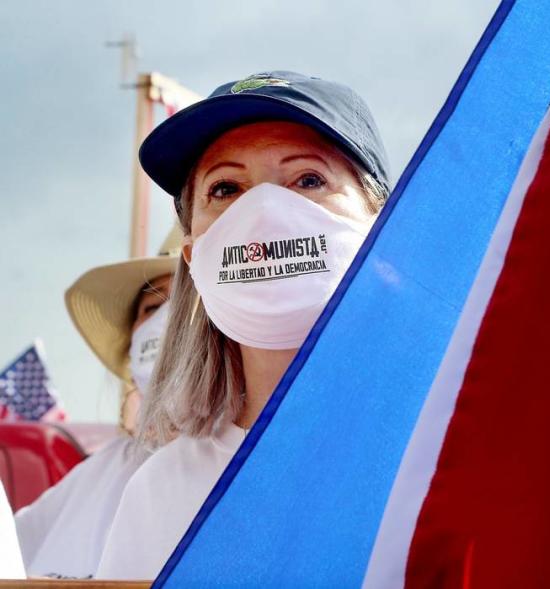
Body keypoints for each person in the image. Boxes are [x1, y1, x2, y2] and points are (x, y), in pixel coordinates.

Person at [95, 71, 391, 580]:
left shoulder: (448, 445)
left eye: (308, 179)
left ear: (380, 221)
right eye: (226, 188)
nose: (264, 211)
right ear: (193, 255)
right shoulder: (162, 491)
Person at [14, 228, 181, 578]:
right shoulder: (101, 470)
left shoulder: (255, 465)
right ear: (131, 347)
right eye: (152, 306)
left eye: (187, 301)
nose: (167, 318)